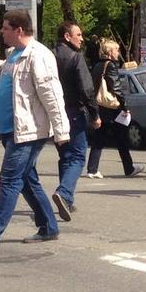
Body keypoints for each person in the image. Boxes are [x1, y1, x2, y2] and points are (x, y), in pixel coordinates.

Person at [0, 9, 69, 250]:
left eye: (5, 28)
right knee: (26, 180)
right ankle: (49, 227)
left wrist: (62, 131)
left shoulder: (39, 56)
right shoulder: (14, 54)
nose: (1, 32)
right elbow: (0, 71)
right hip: (12, 129)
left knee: (10, 179)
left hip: (28, 131)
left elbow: (52, 95)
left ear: (19, 30)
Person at [51, 19, 100, 220]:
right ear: (67, 36)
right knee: (78, 156)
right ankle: (64, 193)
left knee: (65, 156)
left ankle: (67, 200)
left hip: (54, 112)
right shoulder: (75, 57)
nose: (82, 38)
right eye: (78, 34)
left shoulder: (49, 56)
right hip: (73, 111)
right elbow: (86, 89)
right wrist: (95, 114)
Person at [85, 38, 143, 179]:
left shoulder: (97, 65)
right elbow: (115, 87)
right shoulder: (110, 65)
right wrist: (124, 106)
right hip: (112, 108)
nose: (118, 52)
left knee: (100, 137)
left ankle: (92, 169)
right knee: (121, 137)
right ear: (110, 52)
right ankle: (128, 168)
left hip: (101, 106)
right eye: (116, 50)